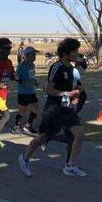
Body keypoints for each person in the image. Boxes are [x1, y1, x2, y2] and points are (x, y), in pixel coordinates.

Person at [17, 38, 87, 177]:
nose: (77, 54)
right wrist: (67, 94)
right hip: (53, 109)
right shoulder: (57, 67)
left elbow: (70, 89)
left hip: (66, 108)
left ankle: (70, 166)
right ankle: (24, 159)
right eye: (74, 51)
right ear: (65, 54)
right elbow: (49, 90)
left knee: (79, 135)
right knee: (44, 137)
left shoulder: (71, 68)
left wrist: (75, 96)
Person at [13, 46, 40, 136]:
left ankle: (27, 126)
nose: (35, 56)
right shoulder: (21, 66)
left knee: (36, 109)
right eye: (33, 54)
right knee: (22, 111)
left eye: (35, 54)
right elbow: (15, 77)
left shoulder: (32, 65)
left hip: (31, 92)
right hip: (23, 92)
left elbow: (32, 75)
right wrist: (23, 82)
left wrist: (35, 81)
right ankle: (16, 126)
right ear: (27, 55)